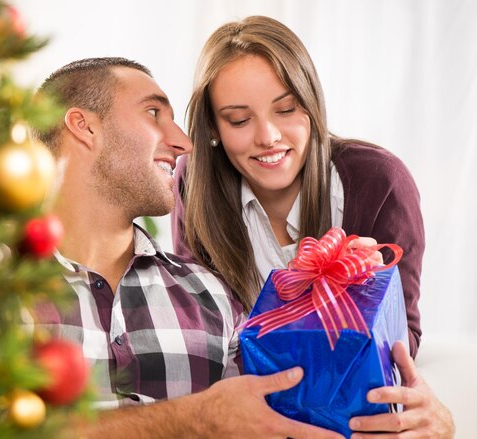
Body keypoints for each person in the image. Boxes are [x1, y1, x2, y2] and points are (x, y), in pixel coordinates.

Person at [32, 57, 453, 438]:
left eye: (286, 109)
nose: (184, 143)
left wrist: (433, 419)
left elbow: (311, 403)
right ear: (83, 126)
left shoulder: (212, 299)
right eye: (154, 113)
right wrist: (190, 420)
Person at [172, 15, 424, 358]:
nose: (268, 137)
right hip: (244, 399)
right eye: (239, 120)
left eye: (286, 109)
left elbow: (405, 341)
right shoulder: (194, 181)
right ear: (213, 127)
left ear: (312, 103)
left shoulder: (381, 183)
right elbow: (202, 332)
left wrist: (364, 292)